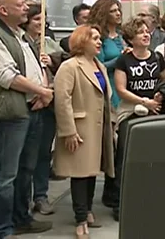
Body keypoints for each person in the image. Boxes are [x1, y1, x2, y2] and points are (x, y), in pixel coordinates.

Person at [0, 0, 54, 238]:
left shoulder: (20, 35)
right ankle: (1, 230)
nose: (26, 8)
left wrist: (42, 93)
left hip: (32, 109)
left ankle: (21, 219)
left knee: (25, 171)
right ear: (3, 10)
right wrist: (42, 90)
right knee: (6, 175)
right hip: (10, 115)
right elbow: (6, 76)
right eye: (20, 5)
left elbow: (34, 67)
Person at [53, 25, 115, 239]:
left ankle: (88, 211)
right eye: (94, 38)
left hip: (98, 128)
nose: (99, 42)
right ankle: (80, 219)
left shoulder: (99, 65)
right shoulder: (70, 66)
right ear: (81, 41)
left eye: (100, 38)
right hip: (79, 128)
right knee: (79, 173)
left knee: (91, 172)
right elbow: (62, 100)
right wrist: (68, 131)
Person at [111, 17, 165, 221]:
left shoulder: (157, 58)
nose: (146, 35)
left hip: (153, 111)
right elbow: (120, 89)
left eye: (147, 31)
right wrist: (144, 101)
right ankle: (119, 202)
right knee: (126, 156)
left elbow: (163, 80)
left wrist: (158, 96)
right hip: (130, 111)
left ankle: (149, 197)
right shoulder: (124, 60)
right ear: (131, 38)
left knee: (151, 156)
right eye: (140, 32)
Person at [21, 4, 62, 216]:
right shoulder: (20, 43)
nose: (41, 23)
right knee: (27, 155)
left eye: (43, 19)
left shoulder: (48, 42)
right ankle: (24, 198)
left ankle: (41, 195)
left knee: (44, 152)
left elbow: (64, 63)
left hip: (48, 103)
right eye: (36, 19)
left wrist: (52, 61)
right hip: (30, 103)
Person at [90, 0, 125, 212]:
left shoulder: (120, 37)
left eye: (119, 9)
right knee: (111, 145)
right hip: (108, 90)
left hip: (124, 93)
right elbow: (99, 65)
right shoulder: (100, 39)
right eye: (113, 11)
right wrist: (122, 60)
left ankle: (116, 188)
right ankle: (109, 191)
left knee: (121, 146)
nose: (118, 13)